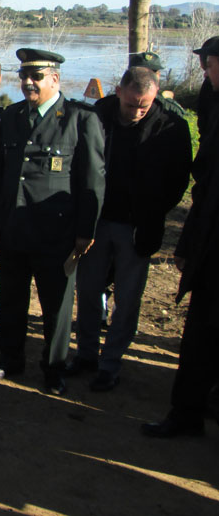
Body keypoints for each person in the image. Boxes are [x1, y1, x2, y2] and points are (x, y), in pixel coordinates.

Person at [0, 48, 105, 395]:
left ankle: (54, 369)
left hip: (57, 232)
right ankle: (10, 359)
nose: (28, 83)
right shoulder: (13, 116)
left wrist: (86, 231)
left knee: (56, 306)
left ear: (55, 79)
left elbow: (93, 180)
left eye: (36, 77)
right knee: (10, 299)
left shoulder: (81, 119)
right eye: (23, 77)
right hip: (14, 229)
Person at [67, 67, 190, 391]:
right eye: (131, 103)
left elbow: (178, 180)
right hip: (96, 222)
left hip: (138, 228)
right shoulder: (98, 116)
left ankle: (111, 364)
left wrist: (151, 213)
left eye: (144, 105)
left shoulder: (171, 127)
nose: (137, 110)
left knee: (127, 298)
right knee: (90, 290)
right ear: (118, 91)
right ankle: (86, 355)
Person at [141, 38, 219, 438]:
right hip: (208, 238)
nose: (204, 71)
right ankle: (188, 412)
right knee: (201, 335)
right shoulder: (212, 98)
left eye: (209, 64)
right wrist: (188, 245)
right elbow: (204, 186)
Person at [127, 51, 185, 117]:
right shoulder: (114, 106)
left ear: (158, 75)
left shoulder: (170, 109)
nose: (147, 77)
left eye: (152, 73)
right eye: (141, 73)